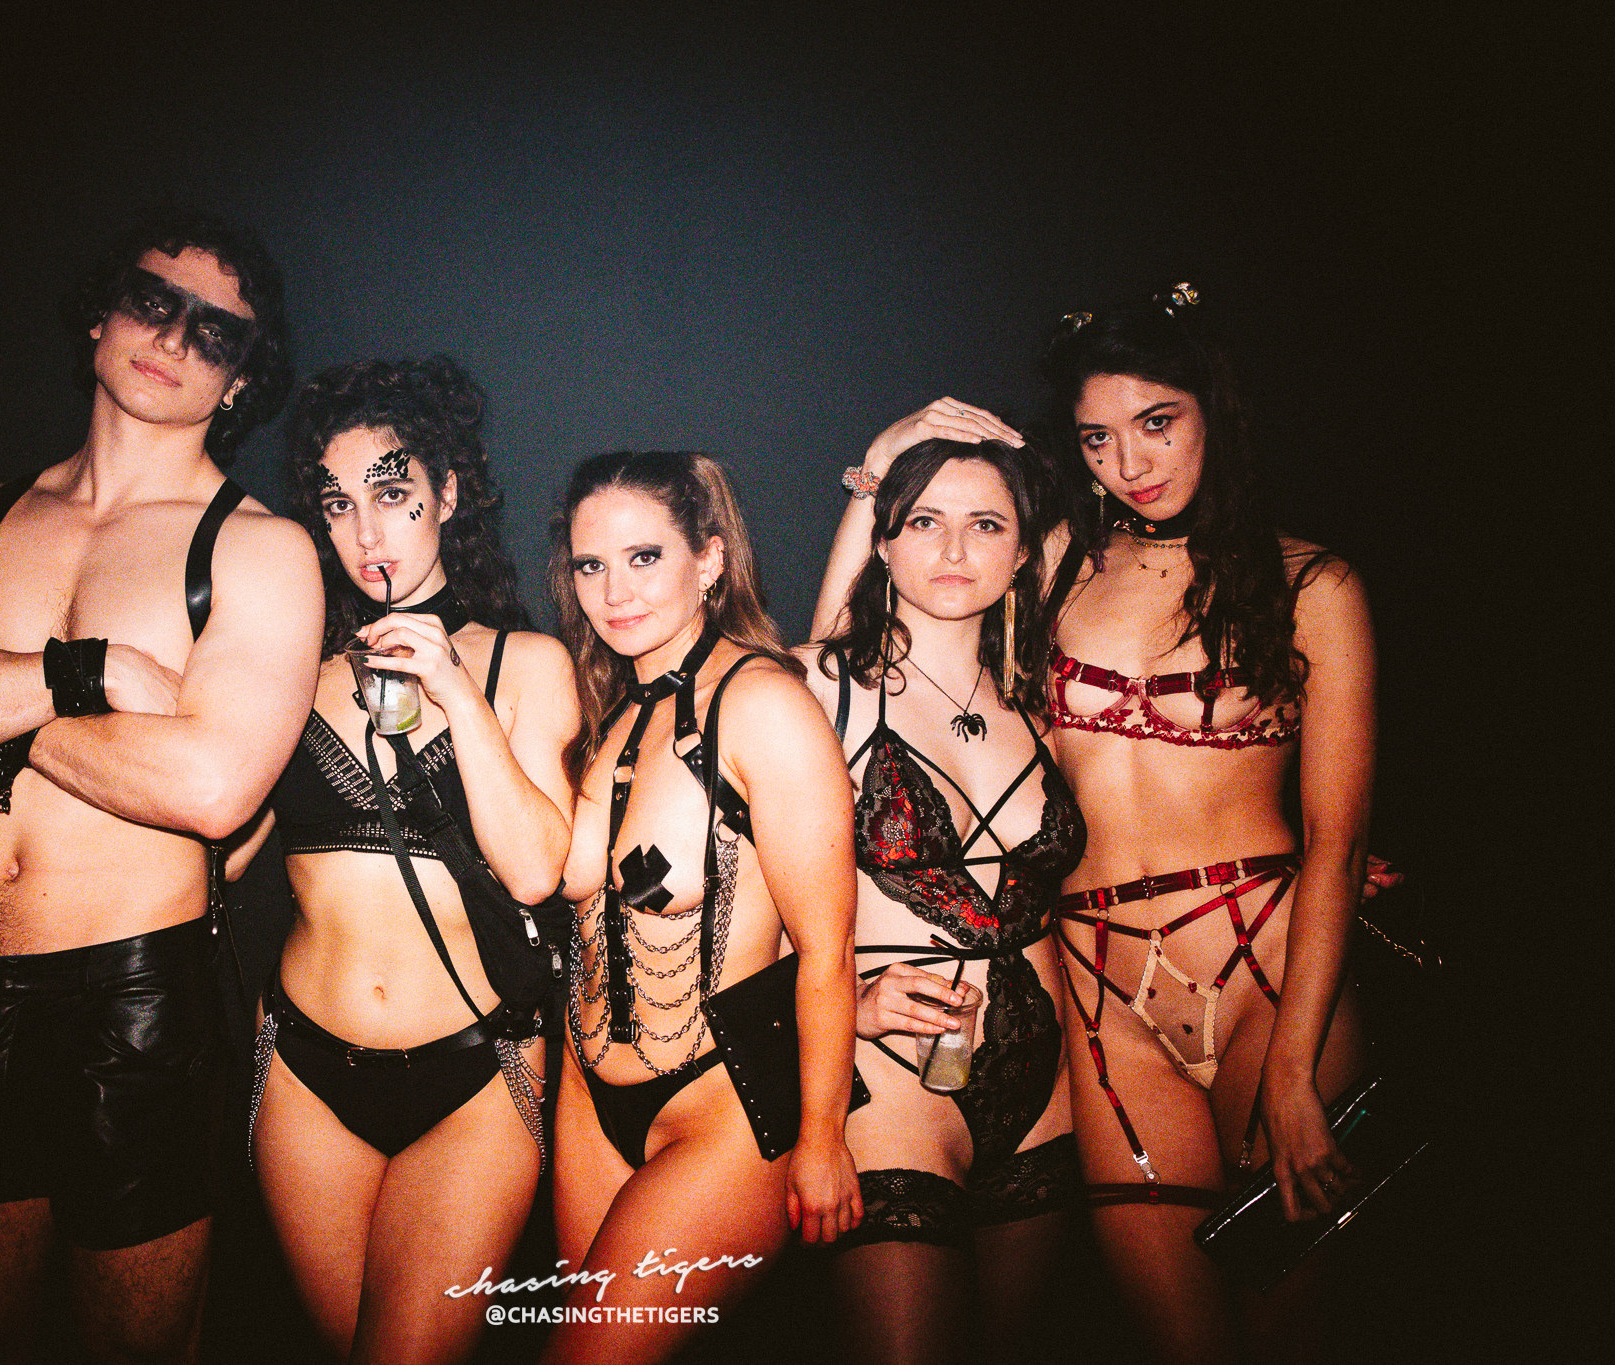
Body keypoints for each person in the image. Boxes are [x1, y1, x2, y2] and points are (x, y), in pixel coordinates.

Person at [820, 288, 1376, 1363]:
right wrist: (875, 475)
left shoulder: (1313, 583)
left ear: (1212, 411)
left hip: (1266, 977)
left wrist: (1295, 1073)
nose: (1130, 462)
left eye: (1156, 423)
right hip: (1101, 996)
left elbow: (1338, 843)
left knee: (1289, 1330)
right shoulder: (1059, 559)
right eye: (1096, 439)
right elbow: (855, 658)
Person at [0, 210, 322, 1365]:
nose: (175, 339)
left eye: (215, 333)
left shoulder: (257, 550)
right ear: (101, 314)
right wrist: (83, 672)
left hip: (136, 1006)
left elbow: (211, 788)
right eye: (154, 302)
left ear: (239, 380)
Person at [237, 356, 580, 1365]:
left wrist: (457, 691)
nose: (365, 533)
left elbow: (535, 871)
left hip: (475, 1073)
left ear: (449, 493)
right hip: (303, 1068)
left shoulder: (525, 665)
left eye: (391, 494)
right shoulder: (294, 673)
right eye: (338, 504)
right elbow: (223, 840)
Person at [545, 450, 864, 1365]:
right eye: (591, 565)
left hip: (720, 1110)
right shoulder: (611, 712)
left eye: (644, 557)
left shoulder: (763, 705)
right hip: (587, 1099)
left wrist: (823, 1137)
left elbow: (828, 948)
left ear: (711, 558)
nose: (615, 591)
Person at [802, 436, 1085, 1365]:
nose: (955, 549)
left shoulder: (1042, 705)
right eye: (924, 521)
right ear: (882, 543)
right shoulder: (815, 686)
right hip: (890, 1079)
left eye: (987, 525)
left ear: (1023, 553)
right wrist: (846, 1003)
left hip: (1048, 1089)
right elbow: (751, 893)